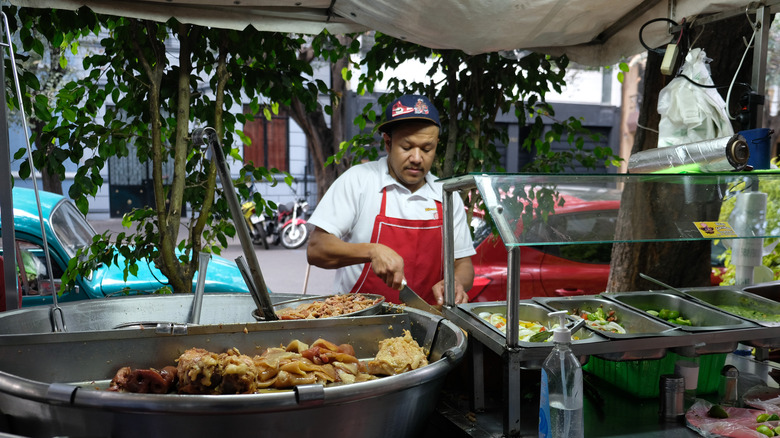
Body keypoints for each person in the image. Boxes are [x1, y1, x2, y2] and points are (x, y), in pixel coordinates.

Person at [306, 94, 475, 305]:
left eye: (426, 149)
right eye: (406, 147)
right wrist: (372, 251)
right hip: (360, 320)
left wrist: (456, 282)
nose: (416, 158)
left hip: (429, 322)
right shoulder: (359, 181)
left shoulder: (446, 196)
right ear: (388, 143)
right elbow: (316, 249)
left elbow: (464, 264)